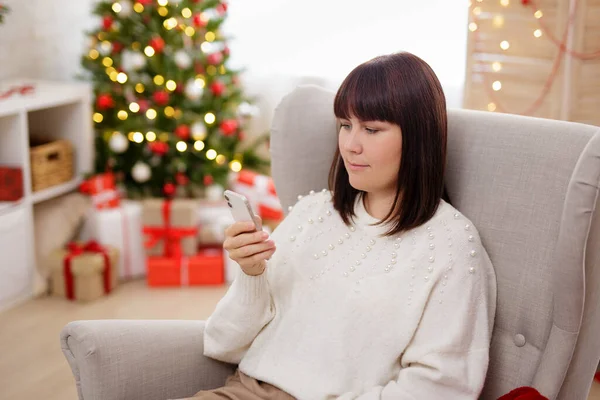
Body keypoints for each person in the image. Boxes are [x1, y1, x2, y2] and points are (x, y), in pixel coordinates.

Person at [180, 52, 497, 399]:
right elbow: (223, 342)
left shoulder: (452, 246)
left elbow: (442, 387)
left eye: (372, 129)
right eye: (345, 125)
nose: (350, 145)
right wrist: (252, 274)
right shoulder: (313, 212)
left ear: (419, 138)